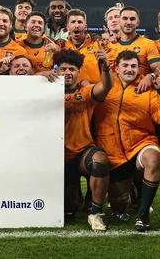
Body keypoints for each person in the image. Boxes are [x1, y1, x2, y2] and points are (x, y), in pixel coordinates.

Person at [93, 50, 160, 231]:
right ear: (116, 68)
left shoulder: (149, 88)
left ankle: (143, 214)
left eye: (133, 66)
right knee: (118, 209)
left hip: (140, 144)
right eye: (125, 65)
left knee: (153, 158)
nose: (130, 69)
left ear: (139, 68)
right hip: (111, 151)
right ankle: (129, 193)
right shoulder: (105, 86)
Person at [56, 48, 112, 232]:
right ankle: (79, 197)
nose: (67, 73)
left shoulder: (86, 91)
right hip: (57, 158)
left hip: (82, 153)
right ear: (56, 70)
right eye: (63, 69)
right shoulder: (45, 91)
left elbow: (106, 87)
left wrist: (105, 68)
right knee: (69, 209)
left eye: (71, 69)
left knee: (100, 160)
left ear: (78, 72)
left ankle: (95, 212)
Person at [107, 6, 160, 93]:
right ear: (119, 22)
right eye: (125, 19)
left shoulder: (148, 44)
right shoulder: (109, 45)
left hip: (139, 95)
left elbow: (159, 71)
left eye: (132, 19)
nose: (129, 22)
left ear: (138, 23)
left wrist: (151, 76)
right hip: (113, 96)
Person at [62, 9, 101, 84]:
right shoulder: (62, 47)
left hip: (93, 93)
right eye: (73, 22)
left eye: (80, 22)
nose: (76, 25)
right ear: (67, 27)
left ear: (85, 26)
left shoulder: (97, 44)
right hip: (69, 93)